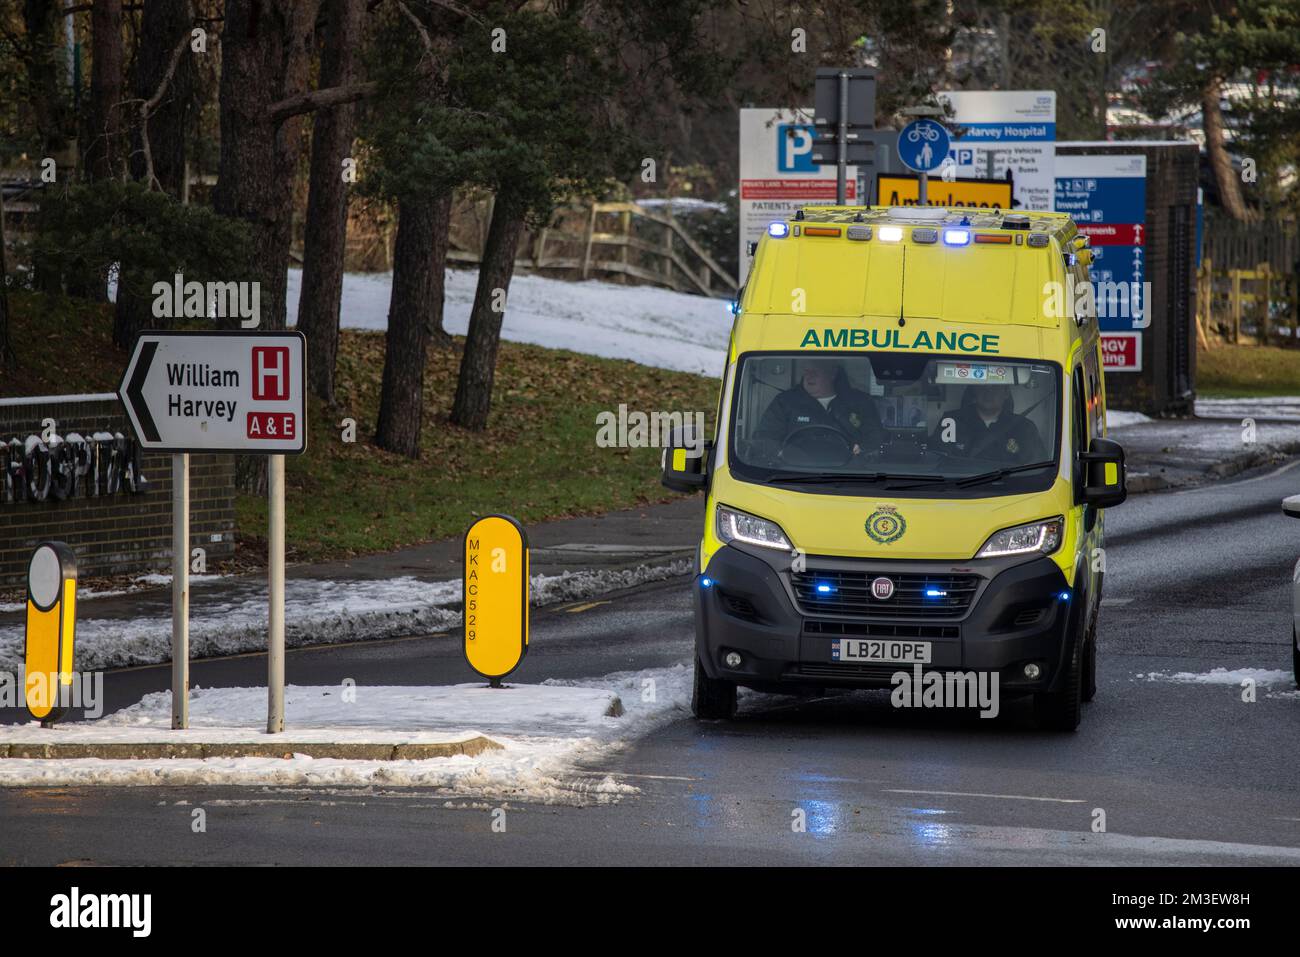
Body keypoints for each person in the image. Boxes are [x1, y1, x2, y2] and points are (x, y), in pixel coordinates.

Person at [754, 359, 883, 455]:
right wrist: (782, 452)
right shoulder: (785, 402)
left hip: (849, 473)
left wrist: (862, 448)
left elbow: (876, 437)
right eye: (806, 372)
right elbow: (765, 437)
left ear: (832, 374)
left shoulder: (859, 402)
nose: (809, 376)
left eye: (815, 372)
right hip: (794, 473)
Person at [930, 383, 1046, 464]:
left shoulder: (1024, 427)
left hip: (1009, 493)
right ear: (974, 392)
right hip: (957, 491)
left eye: (995, 387)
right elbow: (936, 461)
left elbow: (1035, 467)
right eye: (983, 387)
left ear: (1006, 393)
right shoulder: (951, 421)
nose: (988, 393)